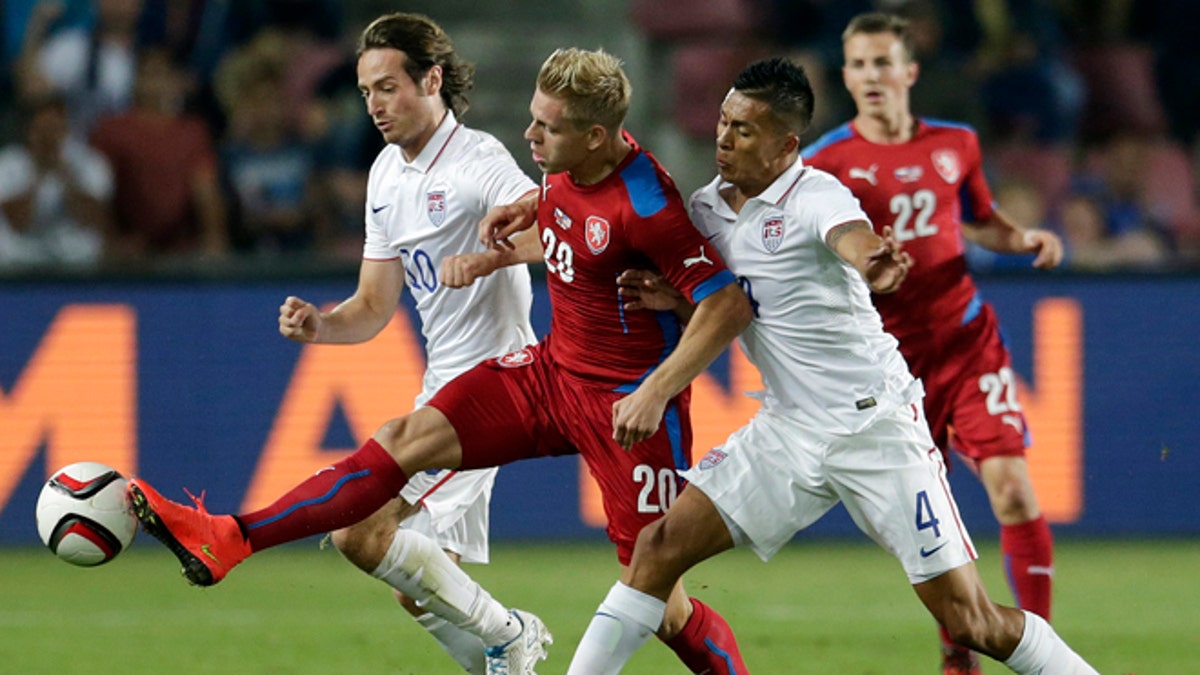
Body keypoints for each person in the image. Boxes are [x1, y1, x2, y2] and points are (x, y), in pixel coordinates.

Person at [127, 46, 754, 675]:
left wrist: (655, 391)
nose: (529, 135)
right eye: (533, 118)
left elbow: (726, 305)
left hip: (628, 406)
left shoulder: (649, 204)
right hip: (551, 375)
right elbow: (568, 210)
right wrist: (511, 233)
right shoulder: (567, 160)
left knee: (662, 602)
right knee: (400, 440)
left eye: (546, 127)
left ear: (595, 136)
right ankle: (231, 537)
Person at [565, 57, 1098, 674]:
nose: (724, 137)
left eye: (744, 129)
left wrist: (879, 263)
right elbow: (721, 303)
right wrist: (678, 298)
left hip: (876, 429)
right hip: (789, 431)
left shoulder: (817, 195)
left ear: (786, 144)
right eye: (723, 121)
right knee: (655, 551)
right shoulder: (707, 208)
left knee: (969, 621)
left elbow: (855, 240)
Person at [272, 13, 546, 674]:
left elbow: (557, 234)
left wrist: (488, 259)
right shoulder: (385, 177)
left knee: (358, 529)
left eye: (388, 87)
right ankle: (508, 656)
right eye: (366, 91)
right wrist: (321, 325)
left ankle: (513, 635)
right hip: (442, 385)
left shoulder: (479, 160)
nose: (374, 104)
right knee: (416, 586)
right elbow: (371, 307)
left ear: (433, 78)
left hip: (494, 386)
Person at [800, 13, 1066, 674]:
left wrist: (1024, 237)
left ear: (910, 71)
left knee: (1013, 492)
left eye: (883, 63)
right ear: (847, 75)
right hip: (892, 369)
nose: (871, 77)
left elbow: (982, 221)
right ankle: (960, 656)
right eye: (858, 65)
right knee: (935, 529)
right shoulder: (825, 163)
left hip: (966, 343)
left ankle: (1041, 651)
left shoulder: (957, 144)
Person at [89, 47, 228, 260]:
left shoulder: (192, 131)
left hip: (183, 249)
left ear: (175, 81)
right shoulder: (111, 130)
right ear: (135, 80)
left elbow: (205, 188)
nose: (154, 84)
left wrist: (214, 238)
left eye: (161, 75)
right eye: (147, 74)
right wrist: (111, 241)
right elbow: (98, 192)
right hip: (130, 250)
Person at [0, 93, 111, 269]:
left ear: (67, 130)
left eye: (56, 129)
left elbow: (92, 219)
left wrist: (65, 176)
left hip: (77, 262)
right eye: (43, 130)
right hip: (20, 262)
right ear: (29, 131)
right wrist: (37, 176)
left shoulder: (90, 163)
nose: (49, 138)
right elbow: (17, 222)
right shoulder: (8, 163)